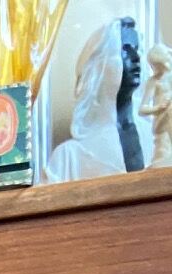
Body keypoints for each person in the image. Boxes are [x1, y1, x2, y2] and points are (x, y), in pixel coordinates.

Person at [43, 14, 152, 180]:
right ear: (98, 66)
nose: (136, 58)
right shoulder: (68, 158)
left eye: (137, 49)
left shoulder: (161, 141)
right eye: (125, 49)